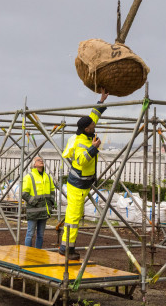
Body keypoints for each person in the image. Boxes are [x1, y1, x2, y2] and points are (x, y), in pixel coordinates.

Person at [59, 89, 108, 259]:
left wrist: (101, 101)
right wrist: (94, 148)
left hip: (85, 183)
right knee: (73, 217)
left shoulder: (86, 132)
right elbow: (82, 160)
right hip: (77, 185)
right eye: (92, 126)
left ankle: (67, 247)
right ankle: (66, 248)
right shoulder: (81, 142)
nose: (95, 126)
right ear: (86, 129)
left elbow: (93, 116)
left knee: (75, 216)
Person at [21, 156, 55, 249]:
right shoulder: (29, 177)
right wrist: (35, 202)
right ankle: (28, 253)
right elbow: (24, 193)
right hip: (33, 210)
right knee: (30, 233)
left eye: (42, 160)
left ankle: (38, 253)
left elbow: (52, 190)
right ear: (34, 164)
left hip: (44, 210)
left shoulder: (47, 177)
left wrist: (51, 202)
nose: (41, 161)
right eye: (39, 160)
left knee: (41, 234)